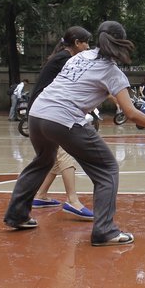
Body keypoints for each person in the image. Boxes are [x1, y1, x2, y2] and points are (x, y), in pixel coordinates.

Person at [3, 21, 145, 247]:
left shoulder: (78, 58)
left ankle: (17, 215)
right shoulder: (113, 72)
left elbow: (79, 86)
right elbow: (130, 113)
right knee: (107, 169)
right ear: (121, 43)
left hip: (37, 114)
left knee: (43, 160)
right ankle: (105, 231)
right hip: (63, 119)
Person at [28, 26, 94, 220]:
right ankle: (73, 201)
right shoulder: (67, 59)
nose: (88, 47)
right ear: (77, 43)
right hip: (48, 112)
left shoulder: (61, 58)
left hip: (41, 111)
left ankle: (40, 195)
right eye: (86, 43)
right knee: (65, 155)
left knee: (52, 156)